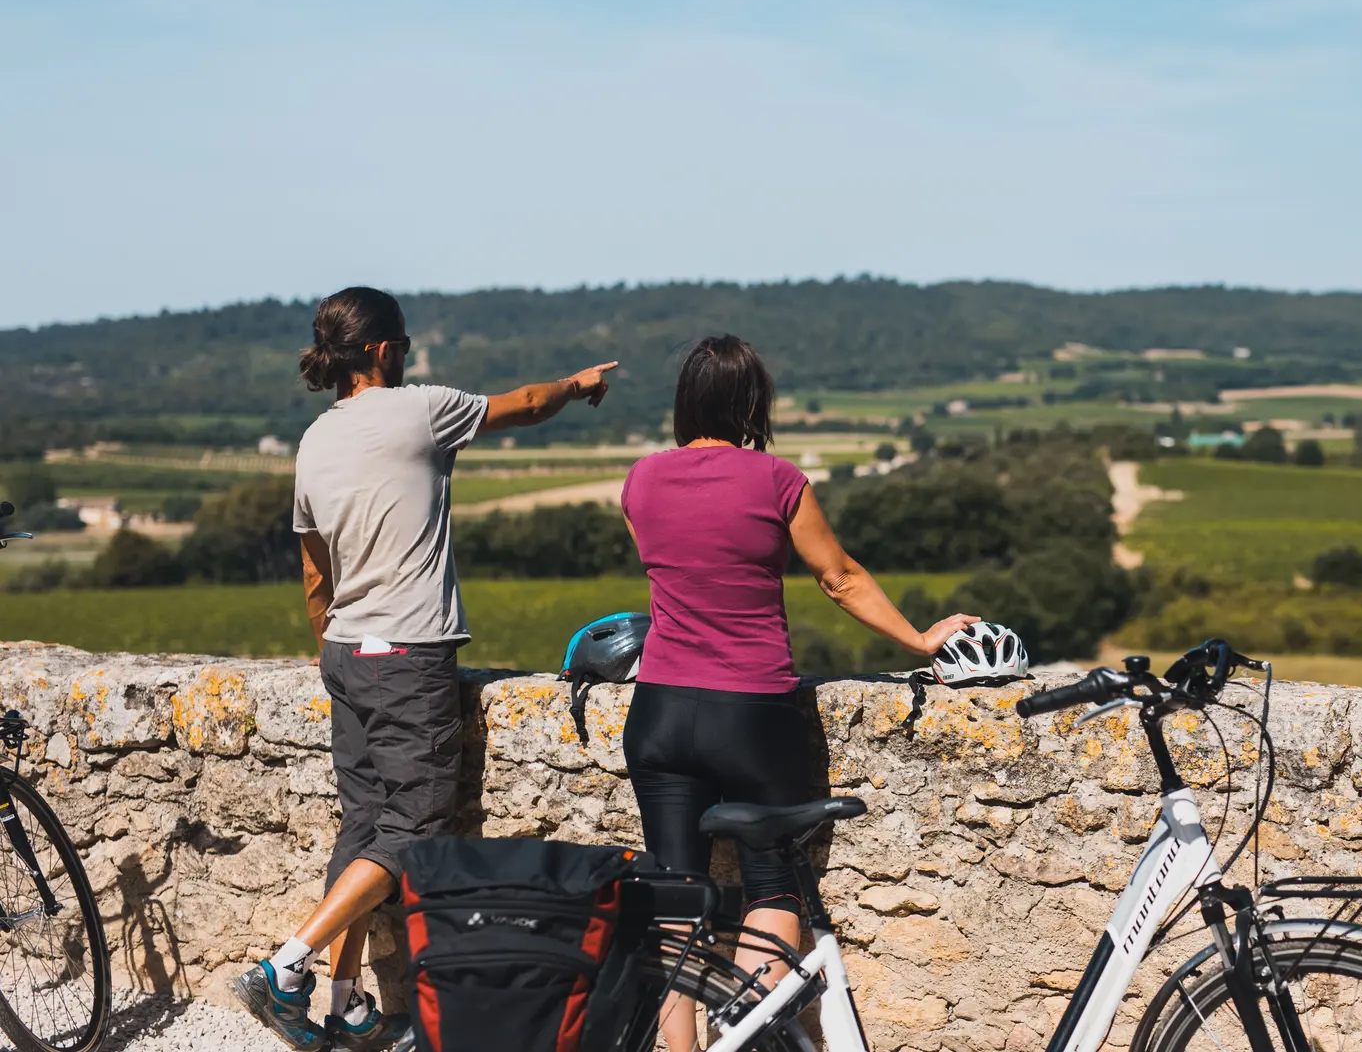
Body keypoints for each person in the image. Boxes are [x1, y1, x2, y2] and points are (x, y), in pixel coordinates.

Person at [233, 286, 618, 1052]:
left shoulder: (314, 440)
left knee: (363, 827)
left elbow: (315, 573)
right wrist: (577, 385)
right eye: (403, 344)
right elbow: (527, 404)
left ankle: (345, 1004)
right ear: (383, 350)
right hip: (408, 654)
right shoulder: (421, 410)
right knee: (414, 828)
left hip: (345, 652)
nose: (407, 356)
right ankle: (286, 967)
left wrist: (334, 650)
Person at [621, 335, 976, 1052]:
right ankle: (748, 1039)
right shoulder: (777, 480)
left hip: (658, 708)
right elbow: (838, 578)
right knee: (771, 886)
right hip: (751, 714)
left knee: (676, 901)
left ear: (685, 401)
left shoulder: (642, 479)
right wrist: (918, 640)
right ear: (754, 404)